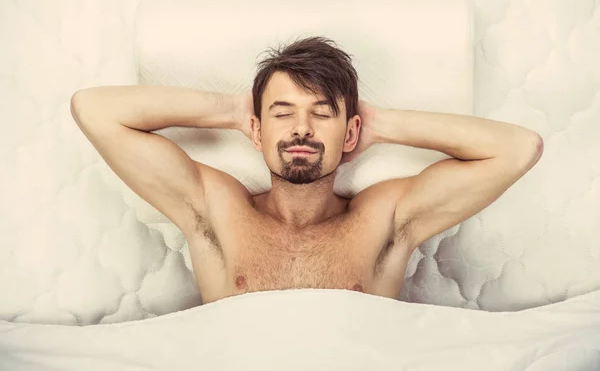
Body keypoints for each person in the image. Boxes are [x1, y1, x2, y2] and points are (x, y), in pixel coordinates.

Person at [70, 36, 543, 305]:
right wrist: (238, 111)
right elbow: (93, 109)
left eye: (322, 113)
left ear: (350, 133)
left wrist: (383, 124)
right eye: (281, 113)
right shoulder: (215, 207)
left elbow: (520, 148)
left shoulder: (385, 217)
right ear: (256, 132)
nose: (301, 128)